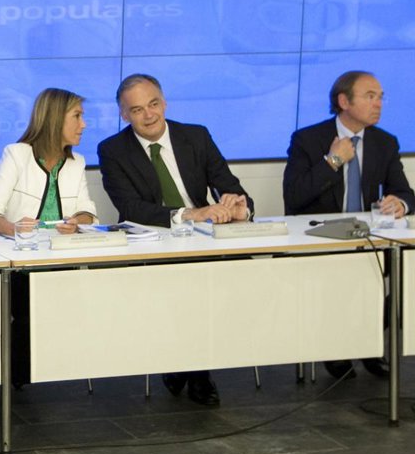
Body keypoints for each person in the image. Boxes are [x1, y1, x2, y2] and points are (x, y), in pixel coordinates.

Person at [98, 74, 254, 407]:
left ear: (164, 102)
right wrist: (189, 214)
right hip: (153, 242)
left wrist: (240, 207)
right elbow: (131, 208)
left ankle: (183, 365)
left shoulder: (195, 136)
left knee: (240, 277)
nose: (149, 115)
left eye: (153, 104)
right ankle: (197, 373)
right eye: (137, 110)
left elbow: (229, 186)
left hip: (203, 242)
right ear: (124, 115)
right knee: (186, 286)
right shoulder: (113, 150)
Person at [283, 70, 414, 380]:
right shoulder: (308, 139)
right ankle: (338, 348)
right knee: (339, 282)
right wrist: (333, 161)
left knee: (403, 276)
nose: (378, 104)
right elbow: (295, 195)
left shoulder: (384, 142)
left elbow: (406, 192)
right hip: (322, 240)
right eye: (370, 96)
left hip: (369, 239)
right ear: (344, 101)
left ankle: (368, 343)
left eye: (380, 97)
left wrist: (400, 203)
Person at [0, 88, 97, 236]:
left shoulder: (77, 162)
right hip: (21, 246)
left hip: (62, 246)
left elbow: (87, 211)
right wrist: (14, 229)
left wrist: (76, 223)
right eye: (77, 116)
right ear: (55, 118)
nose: (83, 124)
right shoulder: (16, 154)